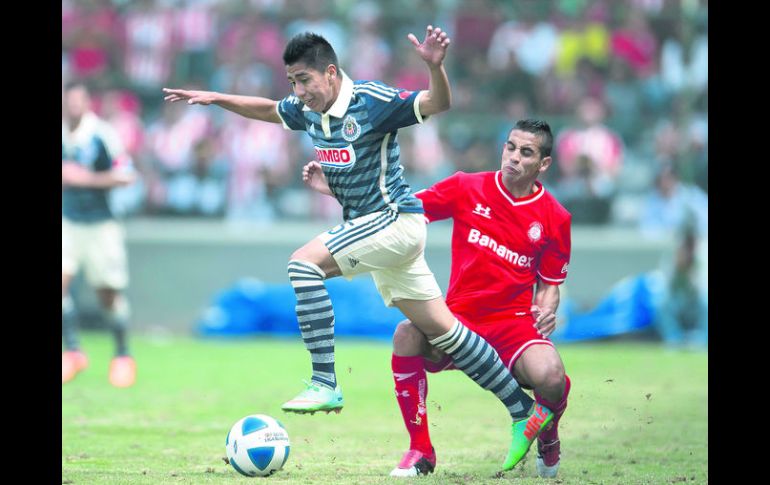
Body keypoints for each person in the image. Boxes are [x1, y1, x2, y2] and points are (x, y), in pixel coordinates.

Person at [163, 28, 552, 469]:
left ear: (331, 73)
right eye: (292, 81)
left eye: (305, 80)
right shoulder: (307, 109)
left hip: (395, 221)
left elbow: (438, 103)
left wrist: (434, 67)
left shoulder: (371, 100)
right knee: (448, 333)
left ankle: (324, 381)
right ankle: (522, 409)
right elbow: (270, 110)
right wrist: (217, 98)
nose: (298, 91)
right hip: (377, 232)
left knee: (302, 265)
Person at [302, 118, 572, 478]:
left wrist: (547, 308)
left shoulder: (556, 217)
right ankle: (420, 450)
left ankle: (547, 435)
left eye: (526, 152)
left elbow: (550, 284)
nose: (514, 157)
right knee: (406, 334)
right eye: (510, 147)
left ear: (544, 163)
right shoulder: (467, 187)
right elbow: (398, 213)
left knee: (552, 376)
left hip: (514, 324)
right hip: (460, 318)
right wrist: (338, 191)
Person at [62, 82, 138, 388]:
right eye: (68, 101)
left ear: (87, 103)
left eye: (77, 101)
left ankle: (122, 355)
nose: (73, 106)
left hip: (101, 223)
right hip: (68, 220)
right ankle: (73, 351)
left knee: (108, 293)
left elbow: (126, 174)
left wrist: (86, 179)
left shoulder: (103, 134)